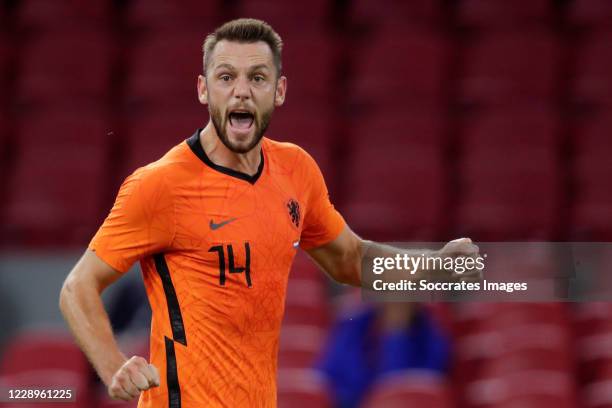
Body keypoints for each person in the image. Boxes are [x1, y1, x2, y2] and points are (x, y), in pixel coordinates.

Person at [59, 18, 478, 408]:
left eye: (257, 77)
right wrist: (114, 365)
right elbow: (77, 289)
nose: (241, 91)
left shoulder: (296, 170)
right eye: (226, 77)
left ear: (278, 91)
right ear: (204, 90)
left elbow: (351, 260)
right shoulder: (159, 185)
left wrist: (432, 266)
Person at [317, 302, 451, 408]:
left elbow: (400, 394)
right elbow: (327, 382)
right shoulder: (352, 327)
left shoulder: (432, 340)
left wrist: (397, 334)